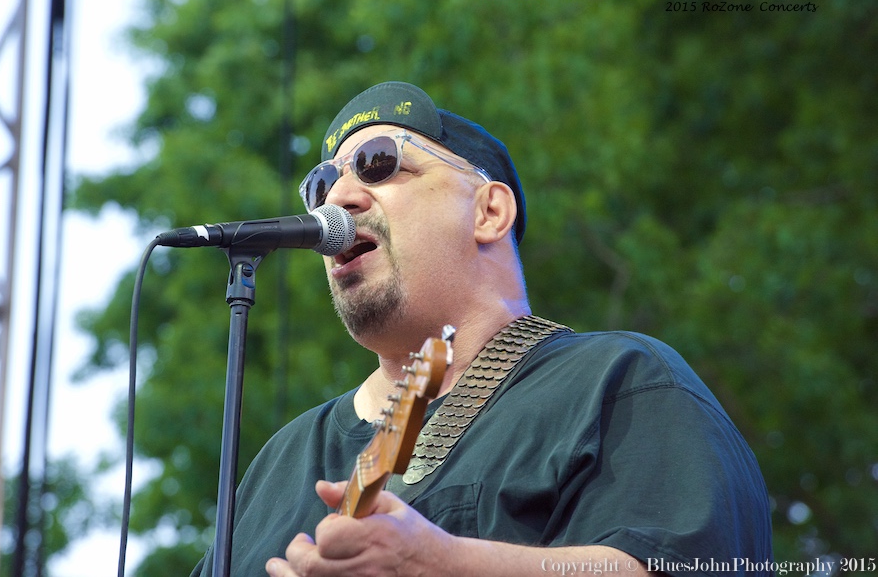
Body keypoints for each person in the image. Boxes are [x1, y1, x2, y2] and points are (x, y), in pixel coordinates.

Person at [190, 81, 773, 576]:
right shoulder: (278, 464)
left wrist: (440, 564)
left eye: (379, 163)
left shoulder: (620, 382)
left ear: (490, 212)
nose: (337, 200)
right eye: (321, 186)